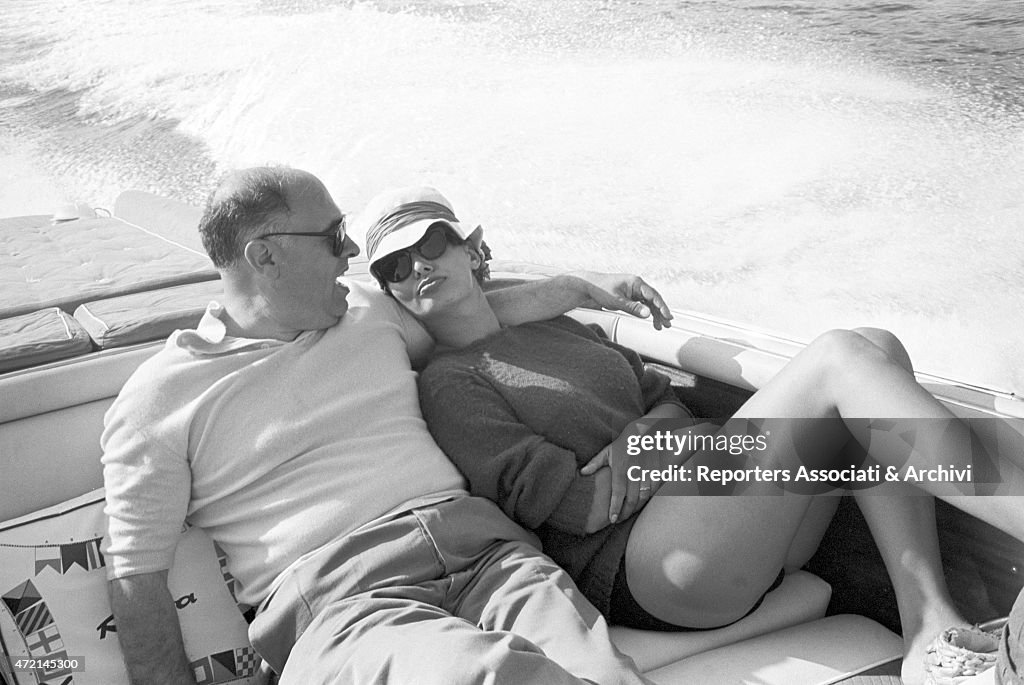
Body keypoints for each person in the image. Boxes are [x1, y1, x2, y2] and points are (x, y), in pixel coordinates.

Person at [360, 185, 1024, 685]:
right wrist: (654, 448)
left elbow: (671, 411)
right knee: (840, 360)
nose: (416, 267)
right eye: (394, 267)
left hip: (721, 520)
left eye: (429, 244)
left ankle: (929, 626)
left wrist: (642, 441)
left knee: (875, 348)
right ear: (389, 291)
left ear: (470, 246)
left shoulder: (564, 326)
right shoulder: (450, 383)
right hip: (652, 569)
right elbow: (580, 506)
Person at [100, 166, 675, 685]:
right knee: (489, 674)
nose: (350, 249)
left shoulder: (369, 311)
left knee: (601, 674)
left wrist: (576, 287)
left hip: (494, 561)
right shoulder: (158, 400)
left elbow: (468, 307)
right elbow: (136, 580)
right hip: (345, 608)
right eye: (333, 236)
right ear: (265, 257)